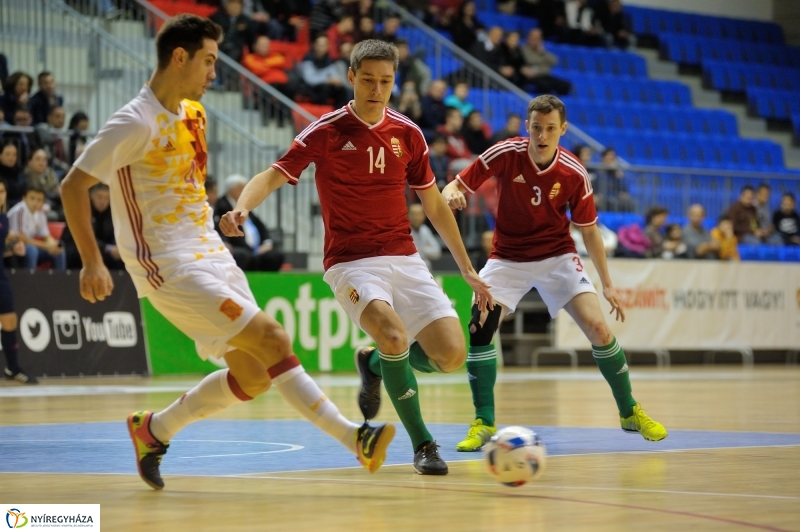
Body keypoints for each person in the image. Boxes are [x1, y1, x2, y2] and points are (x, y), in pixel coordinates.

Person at [60, 15, 395, 491]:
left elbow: (185, 190)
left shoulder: (195, 114)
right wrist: (93, 260)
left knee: (255, 375)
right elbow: (74, 185)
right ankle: (354, 438)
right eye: (209, 61)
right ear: (181, 57)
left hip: (213, 255)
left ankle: (153, 431)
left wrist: (221, 220)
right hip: (167, 267)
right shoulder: (134, 121)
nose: (215, 72)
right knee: (275, 340)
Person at [220, 39, 493, 476]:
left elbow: (436, 206)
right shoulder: (325, 131)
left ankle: (371, 363)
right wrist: (243, 207)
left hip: (404, 256)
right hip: (351, 262)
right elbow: (273, 174)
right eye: (368, 80)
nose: (376, 89)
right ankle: (423, 444)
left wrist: (466, 268)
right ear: (351, 77)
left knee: (451, 356)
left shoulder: (408, 132)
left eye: (385, 81)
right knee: (394, 337)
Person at [442, 94, 667, 452]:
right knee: (480, 326)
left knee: (598, 328)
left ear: (562, 130)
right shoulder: (505, 152)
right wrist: (452, 190)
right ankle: (484, 421)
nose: (542, 136)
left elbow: (589, 230)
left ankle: (630, 412)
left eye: (550, 129)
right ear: (527, 127)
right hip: (508, 257)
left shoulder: (574, 172)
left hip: (557, 256)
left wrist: (607, 284)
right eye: (535, 128)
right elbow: (457, 184)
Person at [0, 179, 38, 384]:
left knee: (10, 320)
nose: (0, 194)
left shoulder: (4, 218)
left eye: (3, 191)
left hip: (1, 275)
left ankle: (12, 368)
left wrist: (12, 248)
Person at [215, 174, 284, 271]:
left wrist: (267, 243)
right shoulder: (221, 206)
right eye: (241, 188)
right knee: (242, 255)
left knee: (274, 256)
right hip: (238, 248)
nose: (244, 191)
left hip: (256, 249)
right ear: (232, 190)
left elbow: (261, 227)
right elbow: (219, 227)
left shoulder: (245, 207)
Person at [7, 186, 66, 270]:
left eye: (39, 200)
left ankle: (60, 281)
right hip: (13, 246)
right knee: (32, 251)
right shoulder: (19, 211)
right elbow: (22, 239)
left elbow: (46, 236)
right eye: (32, 198)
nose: (35, 202)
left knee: (59, 251)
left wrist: (54, 245)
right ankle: (29, 281)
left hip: (29, 246)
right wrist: (46, 246)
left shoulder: (41, 213)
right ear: (24, 198)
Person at [408, 203, 441, 270]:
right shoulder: (405, 231)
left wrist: (421, 249)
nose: (416, 217)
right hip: (409, 267)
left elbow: (437, 251)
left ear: (424, 216)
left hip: (425, 269)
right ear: (408, 215)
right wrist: (426, 247)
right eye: (413, 214)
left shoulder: (425, 230)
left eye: (418, 214)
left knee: (426, 263)